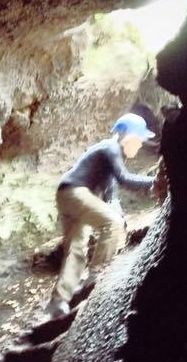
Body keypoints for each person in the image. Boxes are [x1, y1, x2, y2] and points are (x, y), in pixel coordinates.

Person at [45, 113, 157, 317]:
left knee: (77, 248)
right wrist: (155, 182)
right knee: (112, 223)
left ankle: (59, 302)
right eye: (140, 140)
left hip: (67, 193)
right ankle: (98, 274)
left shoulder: (108, 154)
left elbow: (111, 192)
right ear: (129, 136)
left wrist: (118, 208)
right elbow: (124, 179)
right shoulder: (110, 147)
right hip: (75, 192)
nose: (141, 145)